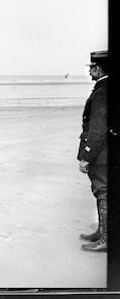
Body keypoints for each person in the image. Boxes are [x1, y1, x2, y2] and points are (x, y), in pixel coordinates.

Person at [78, 51, 109, 252]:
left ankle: (105, 238)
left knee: (103, 191)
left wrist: (86, 156)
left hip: (101, 154)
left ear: (98, 68)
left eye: (92, 67)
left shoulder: (102, 91)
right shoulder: (104, 88)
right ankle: (102, 232)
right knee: (102, 191)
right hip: (104, 151)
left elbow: (97, 128)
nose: (90, 71)